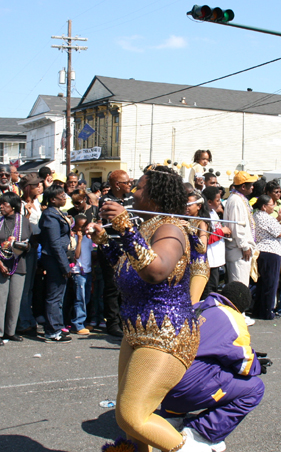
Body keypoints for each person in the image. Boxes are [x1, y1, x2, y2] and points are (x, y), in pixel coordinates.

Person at [91, 164, 206, 452]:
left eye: (139, 187)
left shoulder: (171, 228)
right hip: (137, 331)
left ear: (155, 195)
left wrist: (125, 228)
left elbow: (157, 271)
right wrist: (104, 241)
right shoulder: (148, 225)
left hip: (166, 332)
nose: (133, 191)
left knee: (132, 415)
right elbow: (130, 268)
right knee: (131, 426)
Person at [161, 282, 267, 451]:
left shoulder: (198, 306)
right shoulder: (233, 318)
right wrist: (257, 365)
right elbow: (244, 365)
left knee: (201, 362)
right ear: (241, 307)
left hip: (159, 387)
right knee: (254, 388)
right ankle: (200, 434)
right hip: (184, 390)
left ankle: (172, 417)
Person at [0, 191, 32, 346]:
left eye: (4, 204)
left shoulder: (23, 222)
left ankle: (10, 331)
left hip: (18, 264)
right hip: (1, 264)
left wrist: (22, 246)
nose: (1, 207)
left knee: (15, 299)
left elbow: (27, 241)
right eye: (0, 204)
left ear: (13, 206)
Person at [98, 170, 135, 338]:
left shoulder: (131, 199)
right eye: (127, 182)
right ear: (117, 185)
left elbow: (135, 220)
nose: (130, 185)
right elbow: (116, 223)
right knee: (112, 287)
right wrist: (128, 218)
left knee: (127, 287)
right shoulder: (105, 200)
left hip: (130, 248)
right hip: (112, 248)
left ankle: (125, 320)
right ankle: (112, 322)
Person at [39, 185, 73, 343]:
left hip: (60, 257)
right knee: (54, 296)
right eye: (61, 195)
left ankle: (57, 326)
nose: (64, 197)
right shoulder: (50, 216)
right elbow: (54, 243)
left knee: (59, 295)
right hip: (54, 259)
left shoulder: (57, 213)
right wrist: (64, 266)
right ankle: (52, 331)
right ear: (52, 199)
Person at [251, 195, 281, 320]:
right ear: (264, 206)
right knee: (270, 283)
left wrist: (278, 218)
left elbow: (272, 226)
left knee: (263, 284)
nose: (274, 207)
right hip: (270, 252)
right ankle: (267, 311)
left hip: (263, 251)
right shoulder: (265, 217)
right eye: (271, 204)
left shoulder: (258, 216)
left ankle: (259, 309)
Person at [17, 173, 43, 334]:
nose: (39, 187)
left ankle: (28, 316)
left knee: (31, 285)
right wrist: (26, 215)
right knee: (24, 287)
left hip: (36, 246)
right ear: (28, 188)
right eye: (36, 185)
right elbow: (20, 227)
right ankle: (22, 320)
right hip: (26, 247)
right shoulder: (20, 205)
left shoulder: (37, 202)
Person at [224, 172, 257, 288]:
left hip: (241, 250)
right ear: (243, 187)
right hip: (239, 251)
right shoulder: (236, 201)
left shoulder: (239, 199)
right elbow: (237, 226)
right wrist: (245, 246)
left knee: (242, 285)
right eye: (251, 184)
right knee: (239, 287)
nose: (253, 187)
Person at [202, 186, 230, 298]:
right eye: (217, 200)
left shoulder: (213, 212)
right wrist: (221, 232)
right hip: (210, 259)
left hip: (216, 259)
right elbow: (206, 239)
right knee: (209, 288)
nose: (220, 203)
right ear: (209, 202)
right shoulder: (205, 216)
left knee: (214, 287)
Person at [185, 191, 210, 304]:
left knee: (192, 302)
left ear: (199, 206)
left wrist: (190, 231)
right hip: (187, 267)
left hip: (199, 268)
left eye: (189, 205)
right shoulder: (186, 221)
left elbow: (202, 248)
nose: (186, 207)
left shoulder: (202, 223)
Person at [69, 214, 92, 336]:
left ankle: (83, 321)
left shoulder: (89, 238)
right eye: (79, 227)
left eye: (84, 227)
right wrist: (79, 240)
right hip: (78, 272)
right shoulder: (74, 239)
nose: (81, 230)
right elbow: (76, 256)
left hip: (88, 271)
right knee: (80, 299)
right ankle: (77, 323)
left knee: (86, 298)